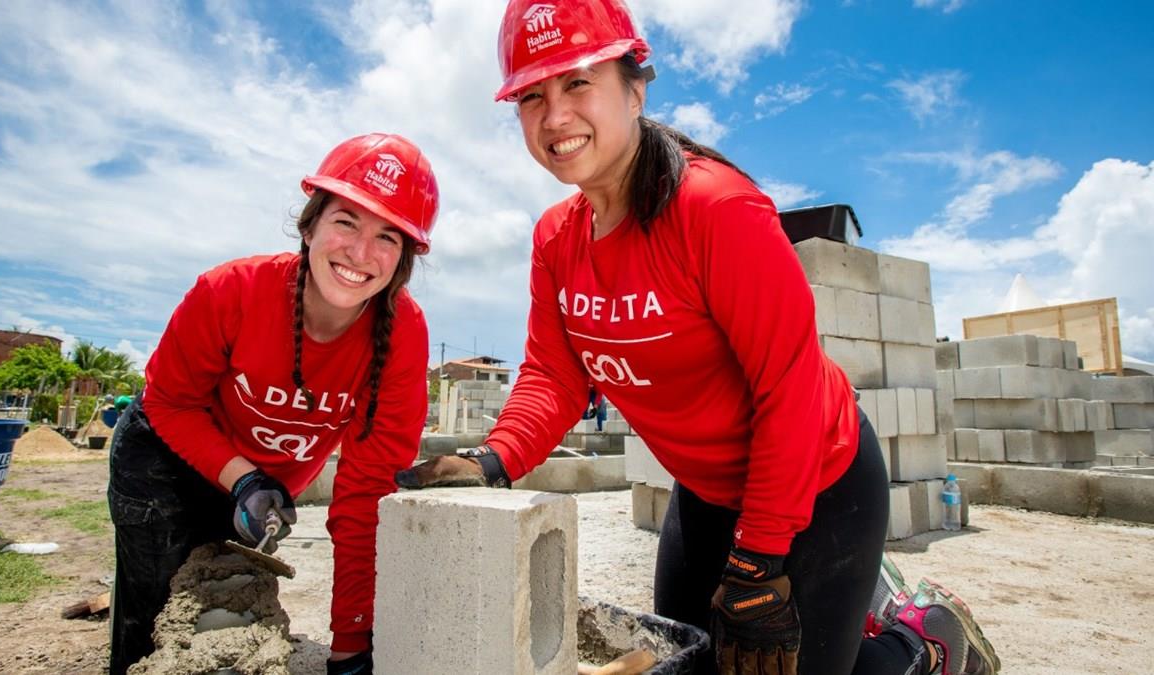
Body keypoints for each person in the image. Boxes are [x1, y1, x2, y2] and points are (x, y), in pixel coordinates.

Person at [396, 2, 999, 675]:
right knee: (692, 662)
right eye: (532, 96)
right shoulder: (555, 240)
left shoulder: (714, 209)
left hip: (820, 481)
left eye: (578, 83)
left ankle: (925, 641)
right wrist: (495, 458)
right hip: (709, 490)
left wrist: (761, 560)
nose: (555, 116)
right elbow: (557, 374)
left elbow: (790, 389)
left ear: (635, 84)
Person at [108, 133, 437, 675]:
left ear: (403, 259)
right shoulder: (230, 291)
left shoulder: (402, 334)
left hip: (257, 488)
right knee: (157, 622)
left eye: (387, 237)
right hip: (164, 461)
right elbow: (170, 404)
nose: (360, 252)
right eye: (346, 221)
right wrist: (244, 479)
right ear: (309, 225)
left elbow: (366, 492)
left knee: (222, 614)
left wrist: (351, 644)